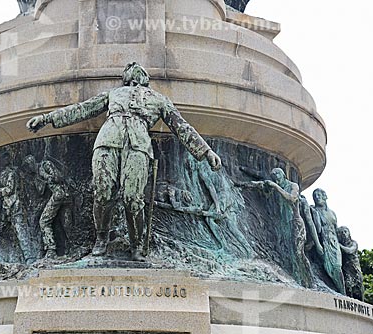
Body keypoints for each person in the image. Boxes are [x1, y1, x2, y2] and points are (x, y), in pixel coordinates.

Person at [27, 62, 222, 261]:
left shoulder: (159, 99)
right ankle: (102, 237)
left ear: (146, 80)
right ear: (126, 78)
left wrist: (206, 151)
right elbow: (83, 109)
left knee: (133, 198)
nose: (135, 70)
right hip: (108, 141)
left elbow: (181, 126)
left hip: (138, 146)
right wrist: (47, 118)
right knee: (103, 193)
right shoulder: (114, 93)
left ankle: (136, 244)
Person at [248, 168, 312, 287]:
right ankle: (297, 279)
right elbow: (261, 188)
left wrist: (275, 187)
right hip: (283, 226)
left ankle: (310, 280)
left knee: (298, 253)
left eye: (277, 173)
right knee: (288, 253)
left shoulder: (293, 186)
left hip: (295, 223)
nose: (275, 176)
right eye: (273, 175)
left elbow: (291, 199)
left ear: (283, 175)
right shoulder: (274, 187)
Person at [311, 189, 345, 294]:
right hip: (324, 241)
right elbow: (317, 229)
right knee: (331, 268)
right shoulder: (314, 211)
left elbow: (336, 228)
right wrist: (317, 244)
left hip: (334, 242)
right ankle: (339, 291)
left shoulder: (332, 213)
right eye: (315, 196)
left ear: (325, 196)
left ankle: (342, 292)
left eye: (319, 195)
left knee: (338, 267)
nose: (317, 197)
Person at [337, 226, 365, 301]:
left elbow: (349, 251)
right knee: (348, 285)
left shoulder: (353, 243)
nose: (343, 234)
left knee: (358, 287)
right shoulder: (338, 244)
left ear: (349, 234)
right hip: (346, 269)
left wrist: (339, 246)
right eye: (340, 232)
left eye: (345, 232)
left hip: (355, 269)